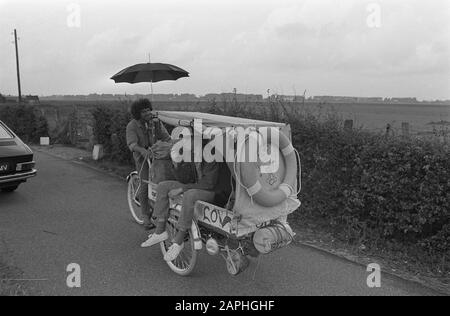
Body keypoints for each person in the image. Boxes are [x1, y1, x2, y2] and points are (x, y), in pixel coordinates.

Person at [140, 138, 221, 262]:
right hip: (195, 187)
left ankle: (179, 240)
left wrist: (182, 189)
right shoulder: (191, 155)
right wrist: (177, 165)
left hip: (212, 192)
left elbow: (209, 184)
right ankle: (160, 230)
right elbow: (185, 178)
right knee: (163, 186)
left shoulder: (211, 156)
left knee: (189, 194)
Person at [126, 99, 171, 230]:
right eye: (143, 111)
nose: (147, 113)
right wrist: (143, 151)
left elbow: (166, 137)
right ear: (137, 113)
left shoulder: (154, 122)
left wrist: (173, 145)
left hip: (156, 155)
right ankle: (145, 216)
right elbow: (132, 144)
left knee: (161, 182)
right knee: (145, 185)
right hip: (142, 158)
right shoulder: (132, 126)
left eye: (148, 110)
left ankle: (159, 207)